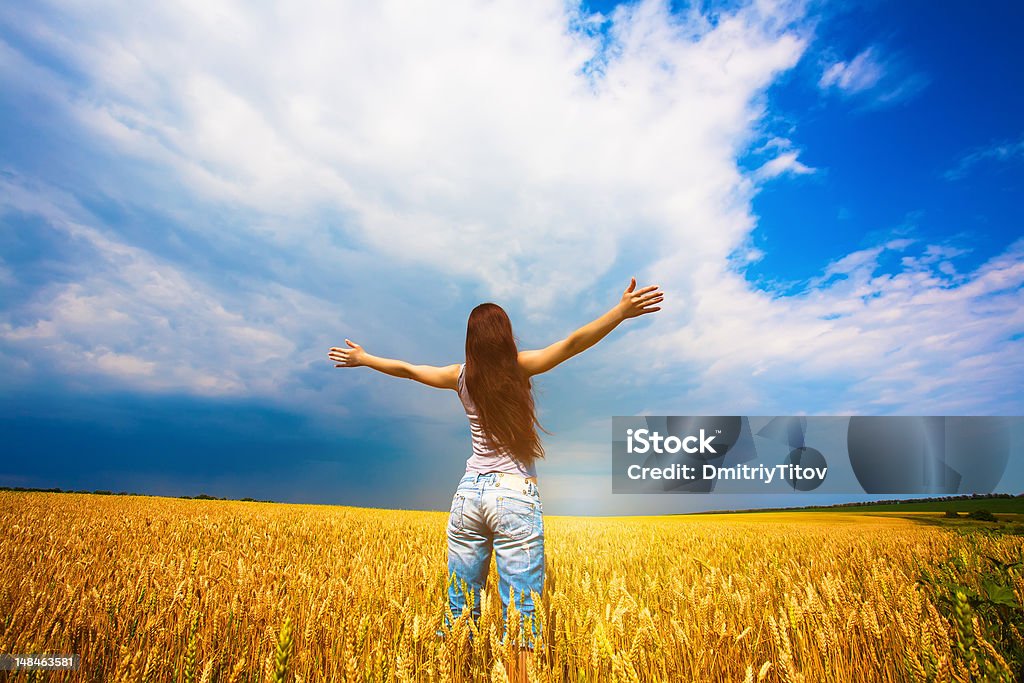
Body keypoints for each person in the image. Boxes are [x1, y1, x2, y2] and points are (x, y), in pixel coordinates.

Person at [328, 277, 663, 681]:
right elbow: (573, 343)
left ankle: (455, 672)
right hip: (513, 493)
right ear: (505, 337)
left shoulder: (459, 376)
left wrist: (364, 358)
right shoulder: (520, 367)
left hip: (468, 495)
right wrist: (620, 312)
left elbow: (409, 371)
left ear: (471, 341)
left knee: (460, 608)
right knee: (522, 615)